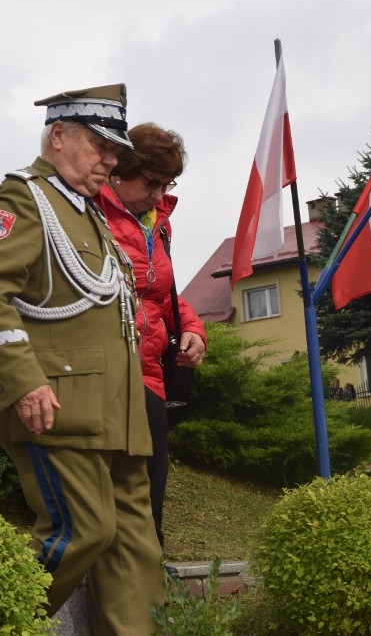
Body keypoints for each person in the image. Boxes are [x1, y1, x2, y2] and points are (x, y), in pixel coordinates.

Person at [0, 84, 164, 634]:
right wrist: (23, 381)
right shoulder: (24, 199)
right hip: (57, 402)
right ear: (58, 136)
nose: (111, 160)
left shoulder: (87, 213)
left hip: (113, 408)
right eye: (100, 146)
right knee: (83, 530)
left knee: (133, 544)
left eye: (115, 151)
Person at [92, 122, 206, 548]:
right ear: (120, 170)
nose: (159, 195)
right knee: (110, 502)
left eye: (167, 184)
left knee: (150, 498)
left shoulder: (159, 223)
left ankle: (149, 578)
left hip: (150, 375)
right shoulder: (88, 211)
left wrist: (193, 329)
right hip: (106, 371)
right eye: (152, 183)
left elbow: (162, 294)